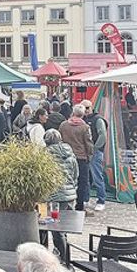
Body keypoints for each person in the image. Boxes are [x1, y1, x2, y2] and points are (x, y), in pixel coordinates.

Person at [43, 129, 78, 261]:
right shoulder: (70, 153)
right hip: (70, 196)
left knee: (51, 228)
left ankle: (59, 260)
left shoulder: (45, 155)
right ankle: (65, 259)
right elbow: (75, 174)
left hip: (53, 197)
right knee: (62, 229)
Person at [59, 104, 94, 212]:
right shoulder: (85, 127)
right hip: (81, 157)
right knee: (82, 182)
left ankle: (66, 204)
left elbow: (60, 139)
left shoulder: (63, 125)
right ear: (83, 114)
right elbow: (88, 143)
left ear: (73, 113)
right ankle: (79, 205)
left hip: (66, 156)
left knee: (66, 181)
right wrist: (90, 155)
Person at [81, 100, 108, 211]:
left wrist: (95, 149)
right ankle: (86, 199)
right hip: (86, 152)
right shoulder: (83, 119)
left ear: (91, 107)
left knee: (97, 177)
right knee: (86, 177)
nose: (86, 110)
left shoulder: (98, 120)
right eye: (83, 108)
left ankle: (101, 200)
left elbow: (103, 136)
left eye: (87, 108)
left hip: (95, 153)